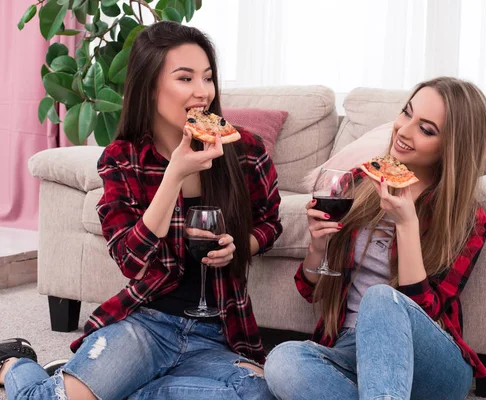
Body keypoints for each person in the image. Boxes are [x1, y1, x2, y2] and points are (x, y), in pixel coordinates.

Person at [0, 21, 281, 400]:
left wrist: (241, 245)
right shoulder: (122, 159)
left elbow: (270, 221)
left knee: (257, 394)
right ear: (150, 87)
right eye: (185, 79)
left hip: (218, 331)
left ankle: (108, 387)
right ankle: (14, 363)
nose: (202, 92)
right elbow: (132, 262)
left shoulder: (244, 148)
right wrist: (174, 177)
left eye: (208, 78)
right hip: (145, 325)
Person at [264, 77, 486, 400]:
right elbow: (310, 289)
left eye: (426, 129)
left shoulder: (467, 218)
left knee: (381, 298)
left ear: (452, 147)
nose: (404, 130)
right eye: (406, 113)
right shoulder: (359, 182)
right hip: (350, 349)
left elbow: (427, 312)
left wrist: (407, 225)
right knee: (281, 362)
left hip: (430, 359)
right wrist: (317, 246)